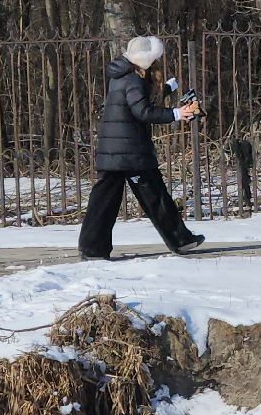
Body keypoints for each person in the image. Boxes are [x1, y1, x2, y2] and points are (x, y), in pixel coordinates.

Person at [78, 36, 206, 260]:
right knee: (156, 196)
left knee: (103, 201)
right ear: (146, 61)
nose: (156, 64)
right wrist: (177, 113)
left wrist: (166, 89)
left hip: (115, 149)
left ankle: (92, 248)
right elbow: (143, 111)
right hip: (131, 151)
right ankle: (180, 240)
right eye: (154, 60)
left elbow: (136, 103)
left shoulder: (120, 77)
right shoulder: (133, 80)